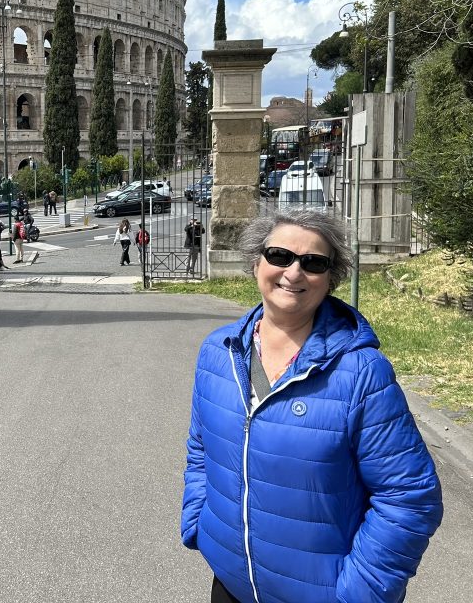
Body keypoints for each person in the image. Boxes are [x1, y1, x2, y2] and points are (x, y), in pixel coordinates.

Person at [180, 210, 443, 603]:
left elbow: (408, 497)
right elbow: (201, 449)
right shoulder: (218, 351)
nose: (294, 272)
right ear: (257, 263)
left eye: (313, 263)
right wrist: (198, 522)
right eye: (279, 255)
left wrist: (359, 594)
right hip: (231, 585)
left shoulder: (361, 372)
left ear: (330, 279)